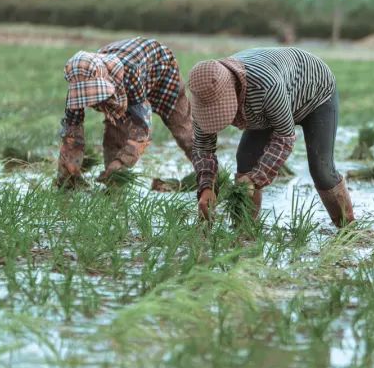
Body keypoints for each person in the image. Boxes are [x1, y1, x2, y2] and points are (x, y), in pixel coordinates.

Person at [188, 47, 354, 227]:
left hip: (315, 92)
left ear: (234, 90)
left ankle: (348, 227)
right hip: (270, 102)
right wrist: (207, 187)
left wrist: (255, 179)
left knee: (321, 169)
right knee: (245, 160)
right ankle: (244, 230)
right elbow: (202, 147)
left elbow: (284, 137)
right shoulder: (204, 95)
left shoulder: (265, 86)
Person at [56, 37, 193, 186]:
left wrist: (122, 162)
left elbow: (142, 128)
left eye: (96, 95)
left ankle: (209, 177)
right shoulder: (78, 83)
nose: (94, 101)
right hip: (128, 78)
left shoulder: (129, 72)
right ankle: (114, 185)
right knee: (114, 133)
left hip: (162, 70)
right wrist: (68, 173)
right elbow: (71, 133)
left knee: (184, 131)